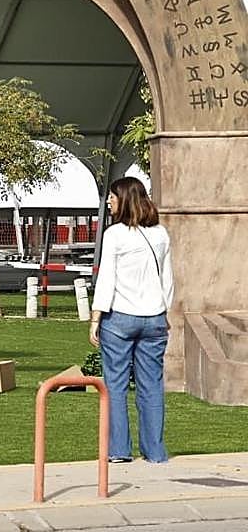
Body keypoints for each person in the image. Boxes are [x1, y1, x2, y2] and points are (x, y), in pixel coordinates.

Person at [89, 176, 173, 464]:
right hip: (155, 318)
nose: (109, 202)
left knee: (115, 385)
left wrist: (95, 317)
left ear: (124, 199)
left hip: (120, 318)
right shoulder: (161, 234)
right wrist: (165, 311)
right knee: (152, 385)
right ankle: (155, 451)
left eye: (112, 197)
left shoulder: (114, 234)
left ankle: (119, 450)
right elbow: (167, 279)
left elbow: (106, 279)